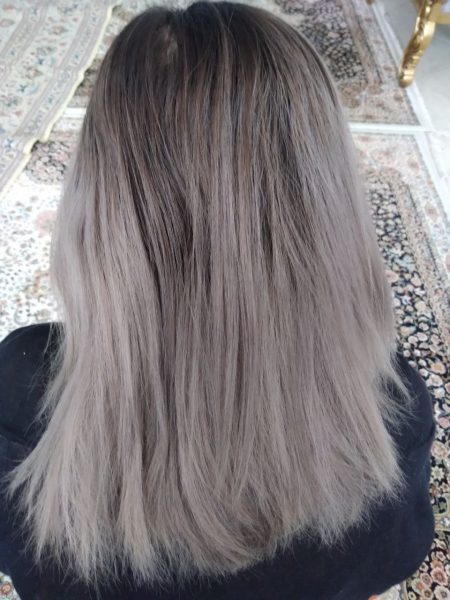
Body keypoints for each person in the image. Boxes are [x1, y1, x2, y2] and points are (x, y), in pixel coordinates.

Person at [0, 2, 436, 599]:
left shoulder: (19, 403)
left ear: (98, 196)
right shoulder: (392, 423)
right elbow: (389, 563)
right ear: (326, 199)